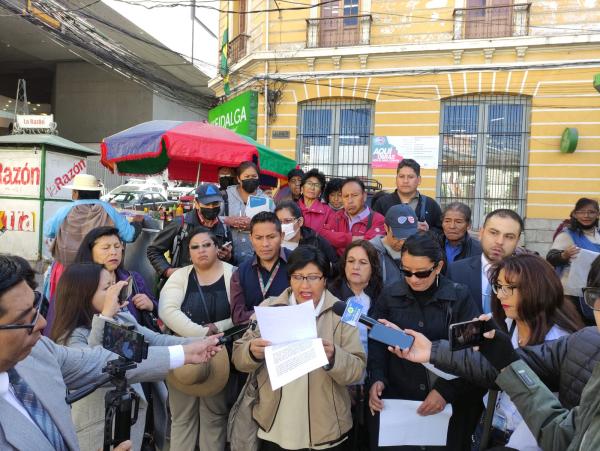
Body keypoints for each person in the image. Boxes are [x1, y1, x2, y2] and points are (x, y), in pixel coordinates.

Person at [0, 255, 222, 451]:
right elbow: (93, 358)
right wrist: (105, 317)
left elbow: (105, 362)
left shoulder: (38, 350)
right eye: (23, 320)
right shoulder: (75, 334)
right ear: (82, 294)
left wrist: (188, 350)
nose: (40, 323)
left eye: (37, 307)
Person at [393, 256, 600, 450]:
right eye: (498, 286)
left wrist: (432, 352)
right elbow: (475, 364)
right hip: (488, 427)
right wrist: (430, 351)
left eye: (510, 288)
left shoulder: (561, 338)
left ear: (537, 288)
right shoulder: (495, 323)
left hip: (529, 441)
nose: (500, 294)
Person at [232, 245, 366, 451]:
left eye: (313, 277)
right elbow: (239, 358)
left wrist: (334, 357)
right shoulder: (270, 307)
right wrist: (251, 351)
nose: (305, 285)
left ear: (324, 279)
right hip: (276, 422)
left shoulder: (347, 312)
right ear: (289, 279)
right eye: (297, 277)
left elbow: (357, 370)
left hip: (327, 427)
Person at [49, 262, 196, 451]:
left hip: (128, 422)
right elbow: (97, 365)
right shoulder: (70, 336)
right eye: (107, 288)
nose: (114, 292)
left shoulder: (122, 318)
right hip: (97, 431)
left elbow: (153, 341)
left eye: (114, 284)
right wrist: (106, 317)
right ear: (83, 294)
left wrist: (198, 342)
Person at [368, 232, 482, 450]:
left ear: (438, 267)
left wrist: (445, 391)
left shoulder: (459, 298)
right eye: (406, 271)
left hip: (447, 409)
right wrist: (377, 378)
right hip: (400, 403)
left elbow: (471, 355)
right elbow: (378, 343)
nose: (412, 279)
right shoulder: (390, 295)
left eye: (421, 273)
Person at [159, 230, 235, 451]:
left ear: (217, 248)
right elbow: (168, 311)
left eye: (206, 245)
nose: (201, 250)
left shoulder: (234, 274)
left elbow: (241, 315)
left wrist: (218, 329)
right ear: (188, 252)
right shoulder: (180, 276)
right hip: (185, 358)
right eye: (195, 247)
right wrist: (202, 336)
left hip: (219, 357)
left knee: (214, 417)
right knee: (182, 418)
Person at [43, 174, 143, 309]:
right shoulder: (108, 209)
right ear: (98, 193)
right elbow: (129, 235)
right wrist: (138, 223)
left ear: (75, 193)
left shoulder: (66, 210)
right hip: (100, 274)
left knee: (64, 309)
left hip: (68, 271)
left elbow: (48, 230)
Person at [74, 226, 158, 327]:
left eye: (117, 246)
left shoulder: (133, 278)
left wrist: (151, 305)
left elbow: (158, 310)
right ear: (90, 251)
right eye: (106, 247)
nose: (113, 252)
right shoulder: (78, 283)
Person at [148, 184, 234, 282]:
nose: (211, 207)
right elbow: (153, 250)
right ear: (196, 204)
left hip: (214, 284)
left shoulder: (224, 226)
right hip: (184, 283)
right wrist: (168, 271)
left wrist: (228, 257)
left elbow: (231, 260)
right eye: (207, 204)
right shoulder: (181, 223)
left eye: (215, 204)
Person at [446, 209, 523, 314]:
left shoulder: (526, 276)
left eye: (509, 237)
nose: (499, 242)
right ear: (481, 233)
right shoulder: (456, 271)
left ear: (517, 241)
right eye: (493, 233)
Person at [230, 212, 290, 325]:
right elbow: (238, 317)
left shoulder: (297, 263)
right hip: (254, 338)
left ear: (282, 237)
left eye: (271, 237)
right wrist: (275, 310)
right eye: (258, 238)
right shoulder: (241, 273)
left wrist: (260, 313)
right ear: (251, 238)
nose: (265, 244)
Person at [547, 197, 600, 324]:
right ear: (575, 214)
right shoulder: (567, 235)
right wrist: (564, 255)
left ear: (598, 214)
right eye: (581, 212)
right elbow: (551, 257)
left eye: (591, 212)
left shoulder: (598, 235)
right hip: (571, 295)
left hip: (594, 292)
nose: (586, 215)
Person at [371, 159, 442, 234]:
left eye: (410, 177)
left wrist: (428, 232)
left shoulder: (430, 204)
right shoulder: (382, 203)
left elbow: (441, 232)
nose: (405, 181)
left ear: (419, 180)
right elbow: (374, 231)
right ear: (396, 179)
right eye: (401, 176)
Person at [222, 161, 273, 263]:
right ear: (238, 179)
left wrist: (254, 225)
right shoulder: (225, 196)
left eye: (254, 176)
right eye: (247, 176)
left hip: (257, 258)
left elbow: (273, 225)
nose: (251, 179)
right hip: (228, 257)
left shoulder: (267, 200)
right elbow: (210, 219)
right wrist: (228, 220)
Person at [321, 177, 386, 256]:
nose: (350, 201)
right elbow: (323, 235)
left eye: (354, 195)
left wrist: (338, 240)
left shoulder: (378, 219)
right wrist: (351, 239)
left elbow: (372, 244)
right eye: (345, 196)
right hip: (339, 266)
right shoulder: (337, 216)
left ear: (364, 196)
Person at [274, 201, 337, 265]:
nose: (282, 225)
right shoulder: (272, 243)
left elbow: (335, 266)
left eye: (287, 221)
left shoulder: (316, 242)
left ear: (300, 222)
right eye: (279, 222)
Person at [370, 204, 419, 286]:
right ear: (386, 228)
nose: (402, 242)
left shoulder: (420, 250)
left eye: (408, 237)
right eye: (397, 237)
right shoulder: (370, 251)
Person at [297, 168, 333, 233]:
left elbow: (331, 235)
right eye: (309, 183)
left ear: (320, 192)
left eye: (317, 185)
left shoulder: (328, 211)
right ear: (302, 188)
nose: (312, 188)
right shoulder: (293, 208)